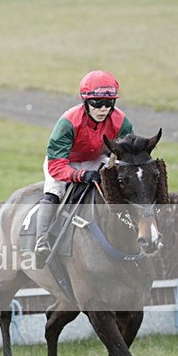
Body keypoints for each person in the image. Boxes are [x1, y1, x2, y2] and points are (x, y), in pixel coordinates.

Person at [33, 70, 134, 268]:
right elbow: (55, 165)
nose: (103, 108)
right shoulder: (68, 122)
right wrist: (80, 175)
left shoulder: (122, 122)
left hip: (97, 159)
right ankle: (41, 242)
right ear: (86, 101)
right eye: (97, 102)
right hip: (64, 162)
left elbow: (127, 156)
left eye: (109, 103)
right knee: (54, 192)